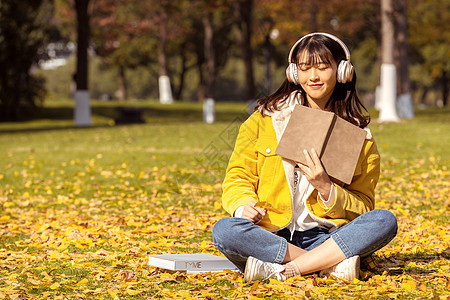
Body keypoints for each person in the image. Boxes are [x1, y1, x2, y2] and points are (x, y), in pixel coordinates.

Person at [212, 32, 398, 282]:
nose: (313, 76)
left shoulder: (360, 137)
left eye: (323, 67)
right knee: (225, 230)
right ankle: (326, 266)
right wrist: (243, 205)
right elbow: (237, 176)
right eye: (305, 68)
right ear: (293, 73)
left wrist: (327, 189)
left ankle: (285, 269)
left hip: (325, 236)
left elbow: (364, 206)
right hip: (270, 234)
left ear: (343, 71)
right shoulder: (265, 119)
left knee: (384, 220)